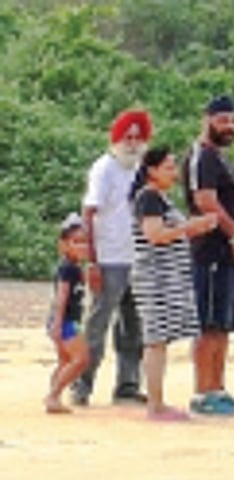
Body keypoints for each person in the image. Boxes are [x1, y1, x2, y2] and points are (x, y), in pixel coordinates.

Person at [129, 148, 219, 420]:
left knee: (160, 339)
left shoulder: (158, 199)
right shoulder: (149, 198)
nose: (173, 172)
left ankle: (157, 402)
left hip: (163, 277)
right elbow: (155, 234)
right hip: (155, 278)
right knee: (156, 339)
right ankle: (155, 405)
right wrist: (190, 228)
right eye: (168, 167)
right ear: (152, 170)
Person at [182, 95, 234, 416]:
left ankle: (219, 387)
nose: (229, 127)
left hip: (228, 256)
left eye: (232, 121)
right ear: (207, 120)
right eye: (222, 120)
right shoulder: (202, 157)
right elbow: (206, 201)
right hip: (210, 251)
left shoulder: (220, 157)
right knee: (208, 323)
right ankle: (203, 392)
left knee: (224, 324)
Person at [72, 109, 153, 406]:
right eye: (127, 137)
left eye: (137, 137)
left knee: (134, 326)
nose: (132, 143)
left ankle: (128, 386)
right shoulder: (104, 169)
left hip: (138, 257)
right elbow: (89, 213)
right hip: (109, 258)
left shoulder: (142, 170)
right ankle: (82, 385)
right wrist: (91, 261)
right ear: (116, 139)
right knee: (97, 325)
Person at [45, 214, 91, 414]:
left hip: (66, 320)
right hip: (66, 321)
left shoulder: (74, 268)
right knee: (80, 360)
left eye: (84, 242)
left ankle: (54, 396)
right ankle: (53, 395)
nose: (82, 247)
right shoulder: (68, 269)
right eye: (76, 242)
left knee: (65, 361)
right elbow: (61, 297)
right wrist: (58, 322)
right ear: (64, 244)